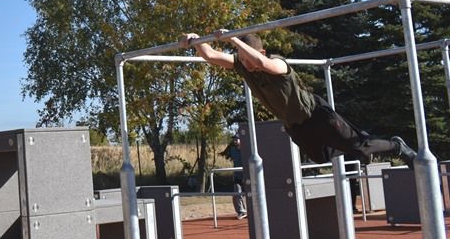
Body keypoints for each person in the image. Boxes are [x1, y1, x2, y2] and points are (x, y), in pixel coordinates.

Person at [179, 31, 417, 169]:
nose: (247, 65)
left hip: (317, 115)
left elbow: (262, 64)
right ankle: (357, 145)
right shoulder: (242, 66)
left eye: (247, 58)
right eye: (242, 59)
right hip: (295, 126)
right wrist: (196, 40)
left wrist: (234, 40)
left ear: (260, 53)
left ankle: (397, 147)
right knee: (321, 157)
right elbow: (210, 55)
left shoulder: (278, 64)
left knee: (357, 146)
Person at [220, 135, 247, 219]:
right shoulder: (232, 149)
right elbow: (228, 155)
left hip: (246, 175)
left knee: (249, 194)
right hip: (237, 174)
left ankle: (252, 211)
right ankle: (241, 212)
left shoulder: (246, 149)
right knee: (237, 193)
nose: (235, 141)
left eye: (236, 139)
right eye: (234, 139)